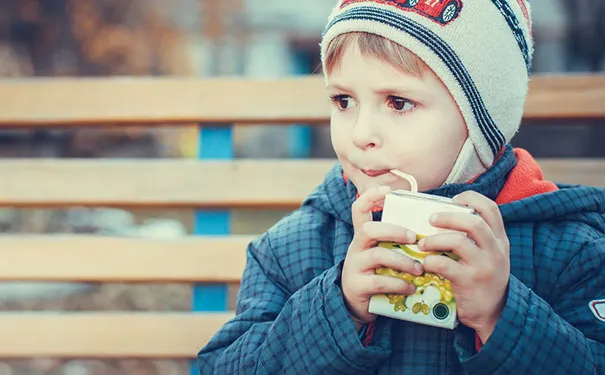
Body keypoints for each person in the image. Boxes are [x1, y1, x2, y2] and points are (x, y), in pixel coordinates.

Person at [197, 0, 605, 373]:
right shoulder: (293, 249)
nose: (361, 133)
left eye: (398, 102)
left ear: (481, 121)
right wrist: (336, 310)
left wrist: (501, 314)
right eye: (343, 101)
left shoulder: (570, 250)